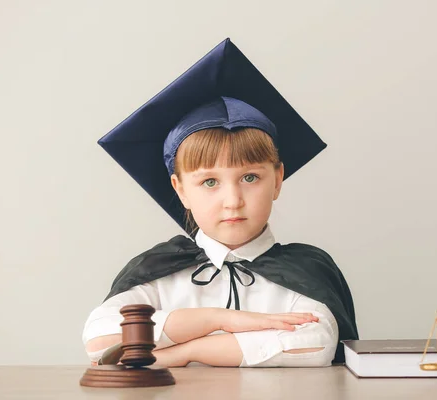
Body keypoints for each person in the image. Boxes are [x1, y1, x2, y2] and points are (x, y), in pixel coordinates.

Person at [82, 38, 358, 368]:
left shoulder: (307, 271)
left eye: (250, 178)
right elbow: (100, 340)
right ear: (180, 189)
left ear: (277, 179)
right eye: (210, 182)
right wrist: (218, 319)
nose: (233, 201)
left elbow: (315, 344)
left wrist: (185, 352)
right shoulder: (157, 274)